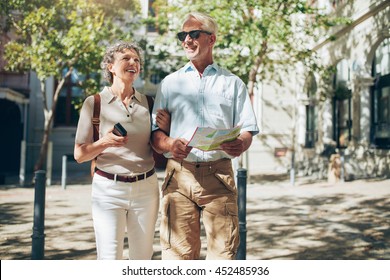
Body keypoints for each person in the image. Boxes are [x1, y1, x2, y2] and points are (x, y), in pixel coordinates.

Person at [151, 12, 260, 260]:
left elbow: (248, 129)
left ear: (211, 39)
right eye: (182, 35)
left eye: (193, 34)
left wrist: (241, 143)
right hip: (179, 176)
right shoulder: (169, 83)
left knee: (223, 257)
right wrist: (168, 143)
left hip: (219, 176)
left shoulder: (233, 83)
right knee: (177, 258)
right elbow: (155, 135)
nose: (186, 40)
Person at [74, 41, 169, 260]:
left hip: (146, 189)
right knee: (109, 259)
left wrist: (167, 129)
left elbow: (158, 145)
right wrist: (104, 142)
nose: (133, 63)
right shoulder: (94, 103)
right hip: (108, 190)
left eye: (137, 60)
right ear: (110, 66)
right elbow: (80, 154)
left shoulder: (149, 103)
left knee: (142, 258)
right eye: (126, 58)